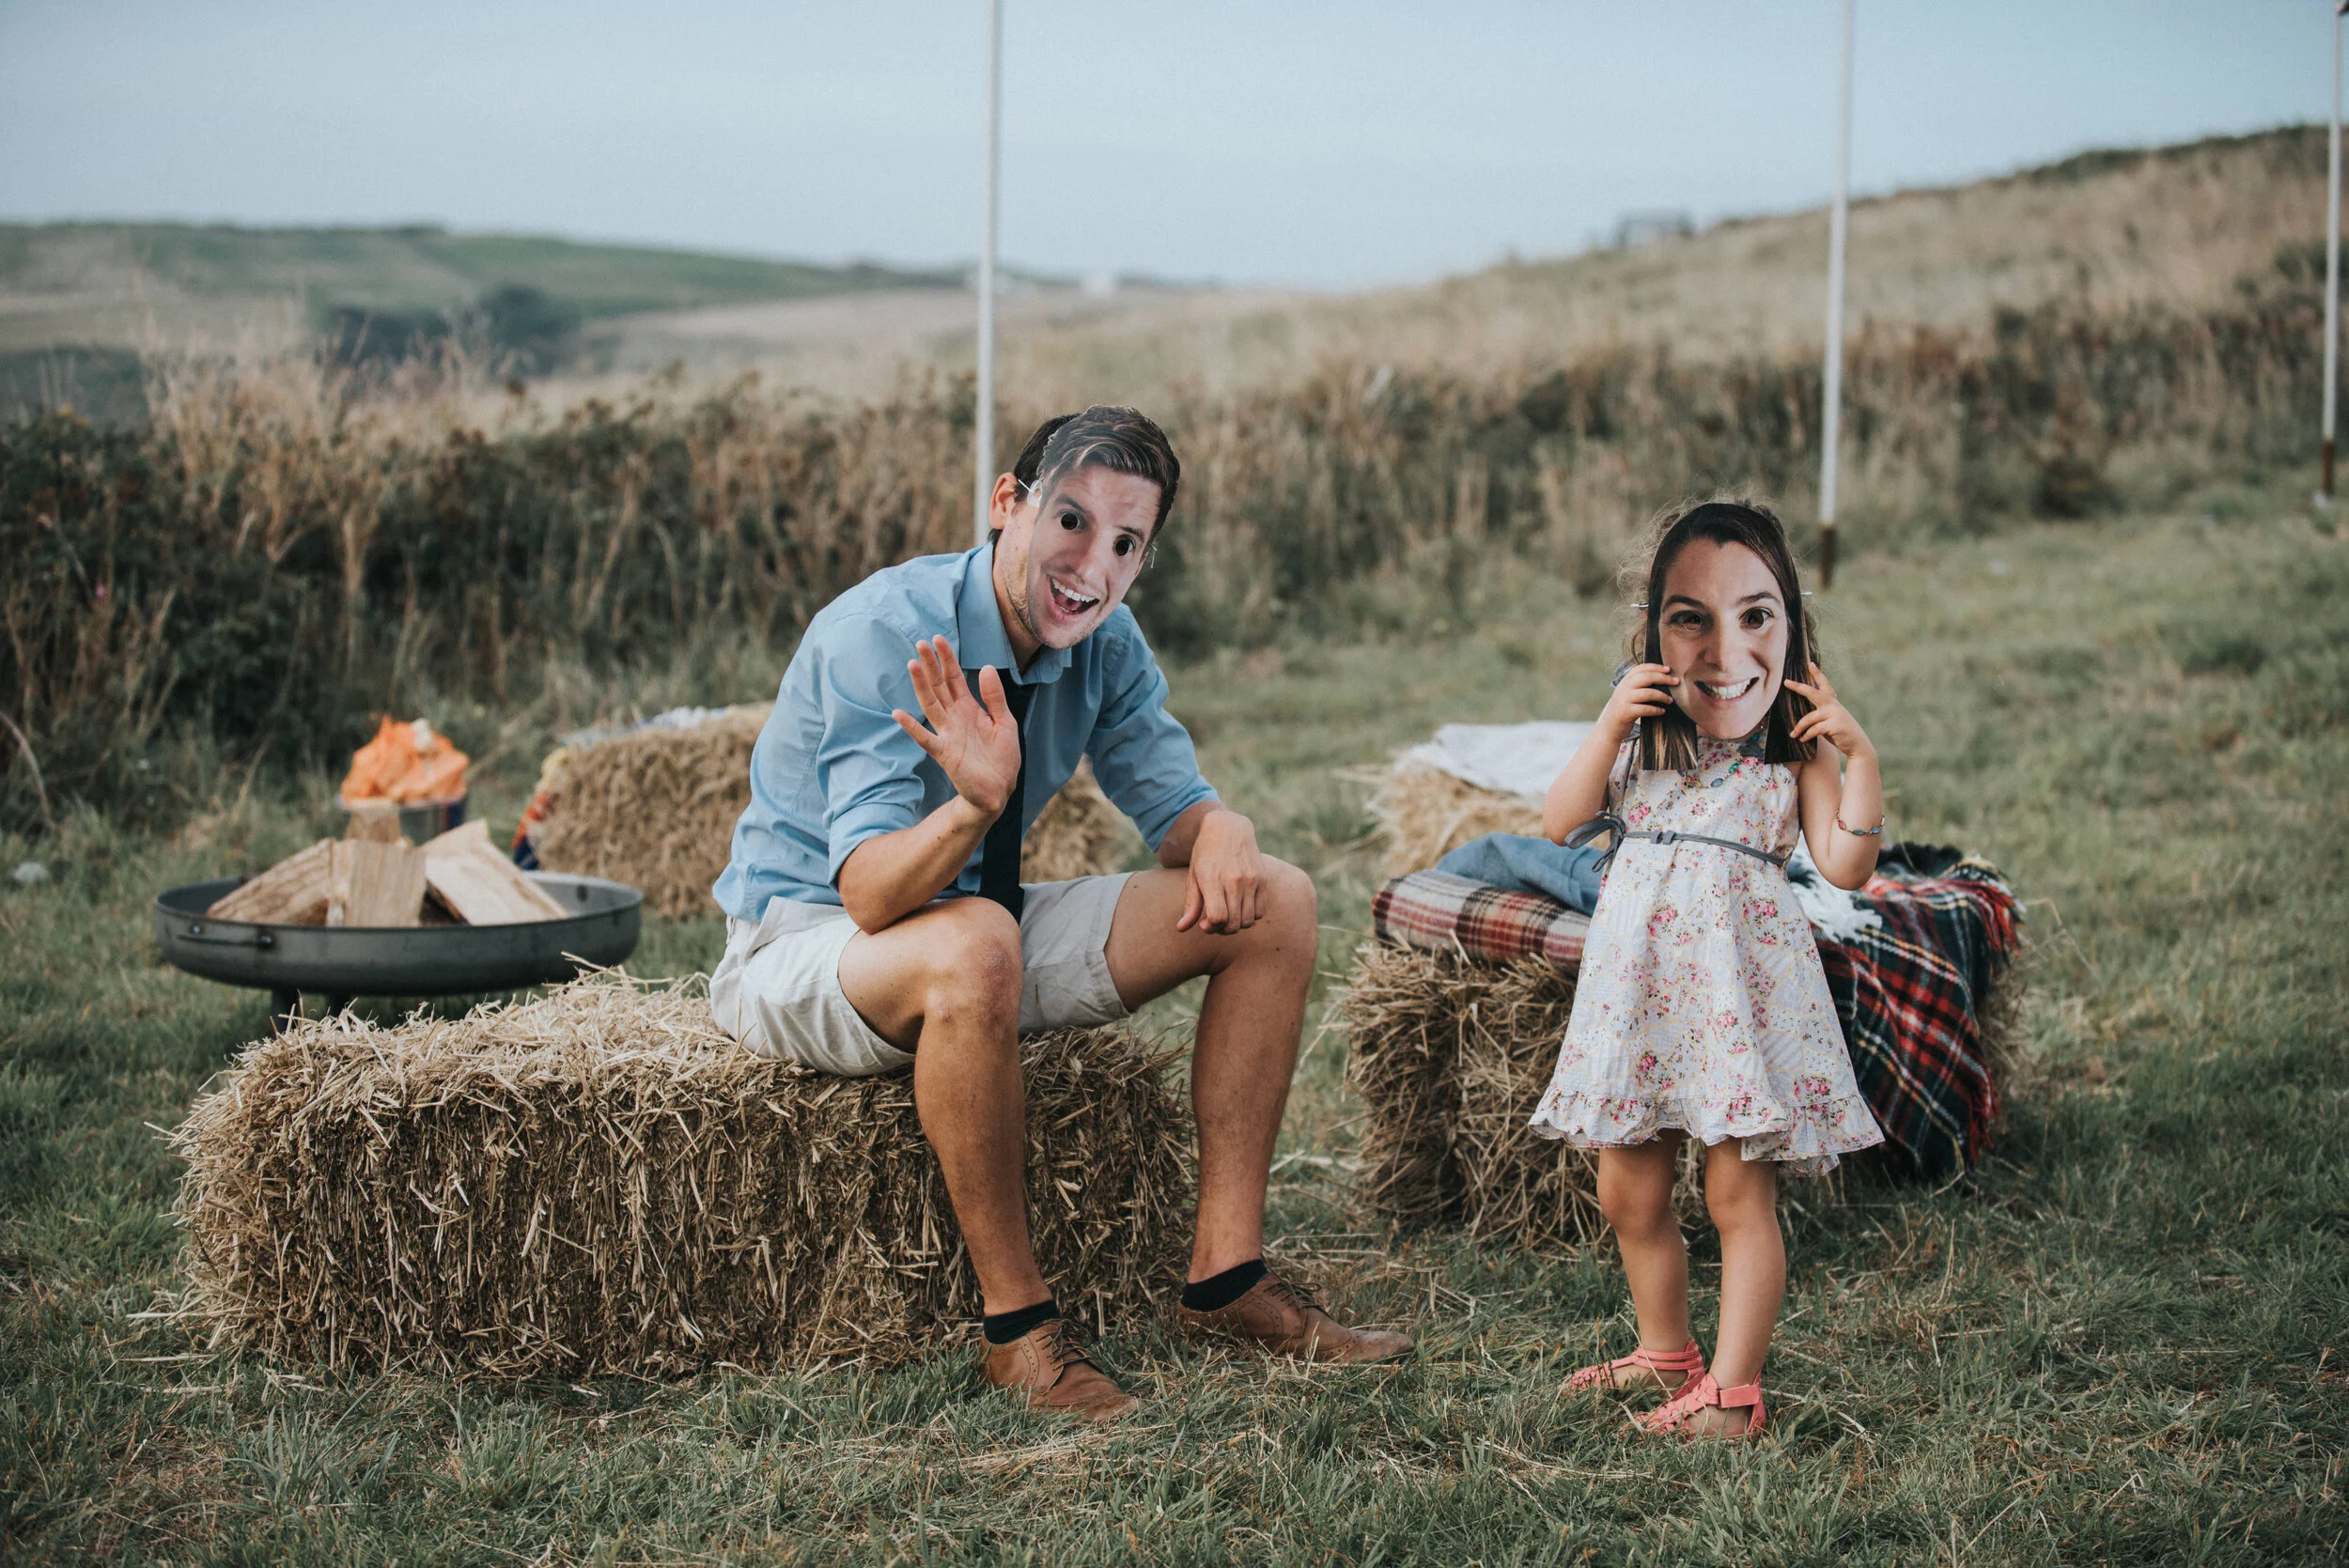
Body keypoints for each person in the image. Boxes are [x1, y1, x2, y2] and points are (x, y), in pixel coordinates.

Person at [710, 406, 1414, 1424]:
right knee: (979, 940)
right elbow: (865, 891)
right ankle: (1021, 1335)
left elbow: (1175, 811)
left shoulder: (1105, 640)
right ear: (1008, 505)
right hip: (804, 940)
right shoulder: (885, 631)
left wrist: (1222, 825)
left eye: (1126, 544)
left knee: (1279, 903)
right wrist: (972, 804)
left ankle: (1224, 1281)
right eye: (1073, 522)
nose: (1093, 564)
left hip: (965, 926)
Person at [1529, 498, 1886, 1439]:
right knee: (1626, 1187)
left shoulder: (1791, 749)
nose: (1725, 649)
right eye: (1691, 618)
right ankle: (1665, 1350)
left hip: (1739, 1001)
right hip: (1640, 998)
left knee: (1735, 1194)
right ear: (1653, 633)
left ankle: (1732, 1394)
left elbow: (1847, 865)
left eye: (1755, 615)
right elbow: (1556, 821)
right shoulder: (1641, 732)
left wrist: (1862, 760)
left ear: (1791, 628)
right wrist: (1606, 724)